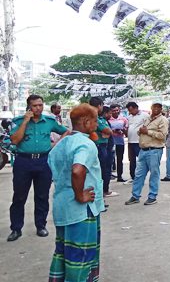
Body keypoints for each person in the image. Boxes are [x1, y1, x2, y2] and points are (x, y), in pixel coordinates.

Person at [47, 104, 104, 282]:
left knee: (64, 252)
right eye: (95, 122)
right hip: (82, 209)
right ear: (86, 122)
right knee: (82, 256)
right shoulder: (85, 144)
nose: (97, 125)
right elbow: (77, 170)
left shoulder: (60, 143)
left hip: (63, 206)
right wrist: (80, 195)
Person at [8, 95, 69, 242]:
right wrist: (25, 121)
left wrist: (56, 144)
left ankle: (41, 225)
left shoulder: (49, 121)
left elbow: (65, 131)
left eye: (40, 105)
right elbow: (15, 140)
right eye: (35, 105)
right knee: (19, 196)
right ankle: (16, 228)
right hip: (23, 161)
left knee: (42, 196)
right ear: (28, 106)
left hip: (43, 161)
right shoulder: (17, 122)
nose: (38, 108)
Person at [126, 101, 169, 206]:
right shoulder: (148, 118)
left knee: (154, 174)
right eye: (155, 106)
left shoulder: (163, 120)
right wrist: (140, 131)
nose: (156, 108)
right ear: (151, 107)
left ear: (161, 109)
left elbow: (163, 136)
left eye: (159, 107)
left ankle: (152, 196)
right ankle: (135, 196)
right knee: (139, 174)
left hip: (154, 150)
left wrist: (148, 132)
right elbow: (142, 131)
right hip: (143, 150)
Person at [125, 102, 149, 182]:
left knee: (141, 160)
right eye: (129, 111)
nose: (130, 112)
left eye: (131, 110)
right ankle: (133, 176)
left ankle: (141, 176)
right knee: (131, 160)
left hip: (139, 141)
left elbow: (148, 126)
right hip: (130, 141)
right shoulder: (129, 117)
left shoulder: (144, 115)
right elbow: (128, 127)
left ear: (136, 108)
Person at [108, 104, 128, 182]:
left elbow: (126, 130)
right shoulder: (108, 119)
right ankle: (109, 175)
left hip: (120, 141)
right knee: (110, 159)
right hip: (111, 141)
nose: (116, 112)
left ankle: (120, 176)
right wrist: (112, 131)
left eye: (117, 110)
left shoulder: (123, 119)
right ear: (111, 111)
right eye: (114, 110)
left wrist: (123, 130)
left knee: (120, 159)